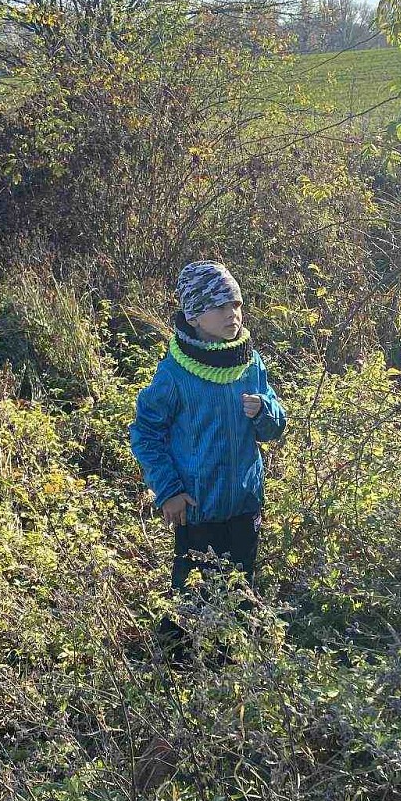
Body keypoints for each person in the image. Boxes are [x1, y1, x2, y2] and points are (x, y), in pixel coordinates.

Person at [130, 261, 287, 612]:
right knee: (193, 603)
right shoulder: (175, 374)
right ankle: (180, 647)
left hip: (245, 504)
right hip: (198, 510)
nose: (233, 314)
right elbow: (146, 434)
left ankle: (237, 646)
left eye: (236, 304)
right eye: (220, 306)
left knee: (240, 596)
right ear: (195, 316)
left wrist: (264, 411)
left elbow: (274, 427)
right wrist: (169, 491)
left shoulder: (250, 362)